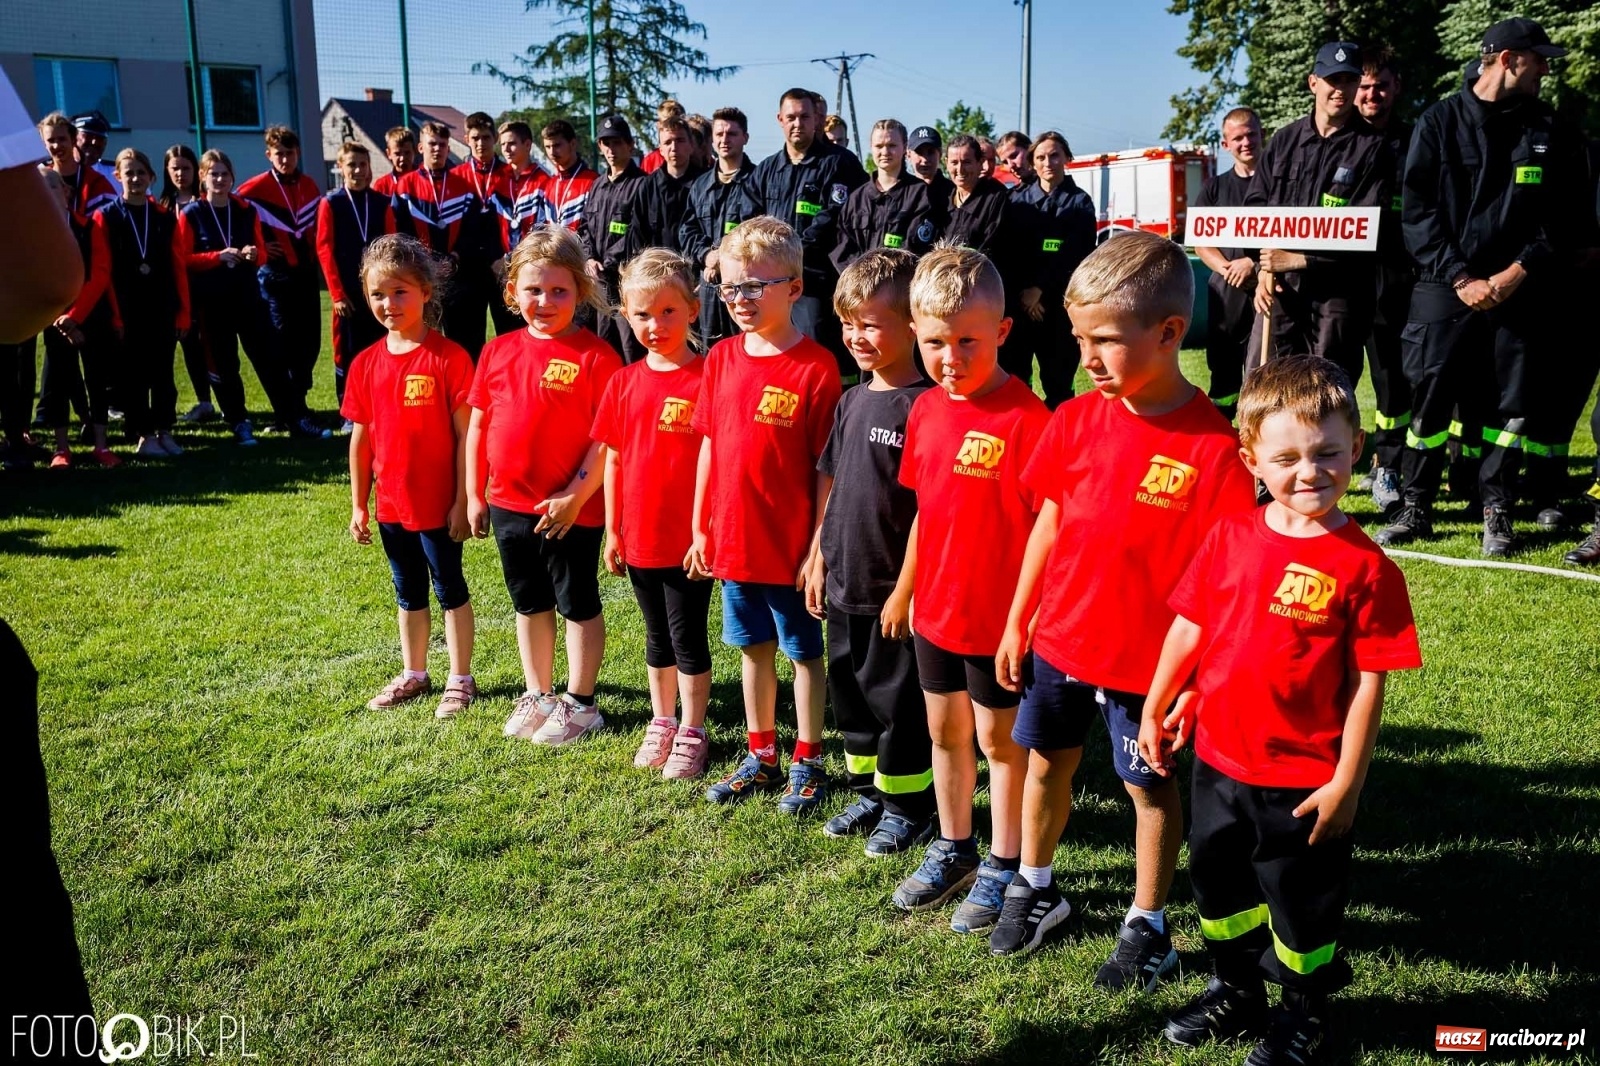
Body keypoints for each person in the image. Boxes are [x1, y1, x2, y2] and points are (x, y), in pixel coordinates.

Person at [1140, 355, 1421, 1063]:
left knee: (1301, 904)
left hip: (1303, 781)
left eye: (1329, 453)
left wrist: (1347, 780)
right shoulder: (1232, 535)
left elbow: (1368, 682)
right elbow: (1193, 626)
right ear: (1251, 459)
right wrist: (1158, 701)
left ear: (1357, 448)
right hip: (1217, 760)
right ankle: (1237, 991)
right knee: (1219, 886)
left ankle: (1304, 1013)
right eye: (1287, 457)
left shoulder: (1368, 570)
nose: (1310, 472)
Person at [993, 232, 1254, 964]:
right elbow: (1049, 522)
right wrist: (1020, 618)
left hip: (1150, 670)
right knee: (1046, 762)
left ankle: (1147, 923)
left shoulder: (1213, 450)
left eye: (1105, 341)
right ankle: (1036, 883)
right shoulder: (1073, 420)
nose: (1087, 360)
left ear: (1171, 333)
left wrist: (1193, 682)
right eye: (1079, 340)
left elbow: (1223, 585)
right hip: (1060, 645)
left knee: (1147, 790)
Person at [1377, 18, 1589, 557]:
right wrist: (1462, 277)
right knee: (1429, 400)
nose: (1546, 67)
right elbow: (1419, 213)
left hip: (1520, 289)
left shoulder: (1546, 128)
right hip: (1446, 285)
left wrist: (1517, 271)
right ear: (1507, 59)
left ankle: (1496, 506)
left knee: (1508, 408)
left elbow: (1561, 219)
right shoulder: (1439, 122)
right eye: (1538, 58)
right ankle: (1416, 505)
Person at [889, 246, 1050, 937]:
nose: (949, 357)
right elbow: (929, 508)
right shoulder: (925, 410)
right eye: (933, 342)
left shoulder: (1030, 420)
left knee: (998, 740)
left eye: (967, 342)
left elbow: (1052, 533)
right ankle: (954, 846)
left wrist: (1022, 621)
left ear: (1004, 333)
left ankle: (1004, 860)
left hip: (997, 622)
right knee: (945, 731)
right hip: (937, 613)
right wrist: (905, 589)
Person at [690, 217, 841, 812]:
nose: (740, 300)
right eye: (730, 288)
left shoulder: (816, 367)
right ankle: (762, 752)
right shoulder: (721, 357)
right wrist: (701, 526)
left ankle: (808, 757)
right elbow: (707, 443)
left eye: (755, 286)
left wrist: (817, 547)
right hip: (733, 540)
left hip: (790, 545)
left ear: (795, 288)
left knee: (803, 652)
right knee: (752, 648)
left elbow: (826, 469)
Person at [804, 249, 936, 855]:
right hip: (842, 580)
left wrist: (906, 590)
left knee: (896, 702)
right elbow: (831, 482)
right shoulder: (853, 399)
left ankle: (909, 805)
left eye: (871, 324)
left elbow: (930, 511)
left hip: (892, 589)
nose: (856, 336)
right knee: (849, 693)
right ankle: (869, 790)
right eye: (847, 323)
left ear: (912, 324)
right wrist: (817, 555)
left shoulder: (925, 407)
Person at [469, 225, 620, 747]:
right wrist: (473, 493)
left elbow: (607, 440)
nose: (546, 301)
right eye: (533, 290)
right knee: (529, 602)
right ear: (512, 293)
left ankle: (580, 702)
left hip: (572, 508)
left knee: (576, 600)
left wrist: (576, 495)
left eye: (559, 290)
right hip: (509, 502)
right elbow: (478, 426)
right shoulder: (497, 351)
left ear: (580, 291)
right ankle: (538, 692)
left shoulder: (598, 357)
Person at [343, 234, 478, 717]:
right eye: (378, 294)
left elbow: (468, 438)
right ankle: (415, 672)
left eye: (400, 292)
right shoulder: (365, 364)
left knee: (449, 588)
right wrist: (360, 503)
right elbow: (361, 441)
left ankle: (461, 678)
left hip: (439, 504)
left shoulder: (449, 358)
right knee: (407, 591)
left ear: (425, 291)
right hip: (391, 506)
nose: (388, 304)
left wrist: (464, 500)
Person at [591, 249, 714, 779]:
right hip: (638, 536)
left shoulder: (709, 377)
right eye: (642, 314)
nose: (655, 325)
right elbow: (613, 459)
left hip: (687, 541)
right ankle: (661, 719)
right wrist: (613, 530)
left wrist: (702, 530)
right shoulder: (623, 382)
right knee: (655, 634)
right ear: (624, 313)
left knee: (687, 635)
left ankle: (692, 729)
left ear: (692, 309)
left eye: (668, 311)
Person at [1247, 42, 1393, 385]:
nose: (1339, 89)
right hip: (1279, 290)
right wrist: (1262, 267)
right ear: (1314, 82)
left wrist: (1298, 259)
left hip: (1338, 294)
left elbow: (1369, 228)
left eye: (1348, 80)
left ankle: (1327, 442)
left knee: (1327, 387)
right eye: (1332, 80)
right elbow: (1255, 208)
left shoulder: (1373, 148)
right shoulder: (1284, 141)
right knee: (1264, 380)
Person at [175, 149, 311, 445]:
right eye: (214, 174)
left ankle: (293, 419)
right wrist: (216, 257)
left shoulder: (245, 210)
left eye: (225, 174)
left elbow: (262, 253)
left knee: (270, 358)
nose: (220, 179)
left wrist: (254, 254)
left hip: (248, 297)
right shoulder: (191, 214)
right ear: (203, 177)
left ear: (232, 177)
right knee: (225, 363)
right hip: (212, 301)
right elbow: (183, 258)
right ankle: (239, 421)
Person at [750, 88, 869, 378]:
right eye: (791, 117)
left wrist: (787, 251)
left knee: (816, 362)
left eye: (804, 116)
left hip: (817, 283)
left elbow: (833, 217)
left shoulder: (840, 163)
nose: (797, 123)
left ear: (816, 119)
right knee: (774, 361)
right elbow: (750, 219)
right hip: (771, 285)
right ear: (780, 119)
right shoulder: (766, 170)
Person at [1355, 48, 1413, 512]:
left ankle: (1388, 466)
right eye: (1365, 86)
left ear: (1396, 89)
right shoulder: (1334, 138)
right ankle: (1331, 459)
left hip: (1392, 279)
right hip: (1331, 281)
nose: (1372, 94)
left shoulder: (1414, 140)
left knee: (1392, 381)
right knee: (1329, 376)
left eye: (1381, 86)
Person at [101, 148, 188, 458]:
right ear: (118, 177)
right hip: (127, 307)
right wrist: (116, 317)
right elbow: (104, 271)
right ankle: (143, 435)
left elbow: (178, 266)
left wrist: (183, 313)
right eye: (129, 173)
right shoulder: (107, 216)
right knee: (133, 375)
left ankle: (164, 430)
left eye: (141, 173)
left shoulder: (165, 217)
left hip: (162, 305)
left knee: (163, 373)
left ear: (151, 177)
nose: (135, 178)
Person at [938, 134, 1041, 390]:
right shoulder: (945, 202)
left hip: (990, 301)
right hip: (953, 304)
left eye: (967, 162)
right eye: (954, 162)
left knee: (1004, 371)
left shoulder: (996, 198)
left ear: (979, 163)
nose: (960, 169)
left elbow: (988, 250)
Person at [237, 125, 326, 417]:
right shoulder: (253, 189)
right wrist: (260, 249)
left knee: (310, 341)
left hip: (306, 275)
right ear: (269, 155)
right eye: (279, 154)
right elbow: (231, 219)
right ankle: (288, 408)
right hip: (274, 276)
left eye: (290, 153)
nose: (285, 159)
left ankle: (299, 398)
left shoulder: (310, 185)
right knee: (282, 340)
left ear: (297, 153)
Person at [37, 164, 120, 468]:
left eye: (53, 187)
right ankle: (62, 449)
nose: (47, 194)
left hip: (91, 317)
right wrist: (63, 321)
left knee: (97, 380)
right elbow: (40, 280)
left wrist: (76, 316)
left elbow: (99, 274)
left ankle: (101, 445)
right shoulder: (35, 235)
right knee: (58, 381)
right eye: (41, 189)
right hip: (54, 321)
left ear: (67, 192)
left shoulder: (90, 226)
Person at [1007, 130, 1096, 409]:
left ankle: (1060, 436)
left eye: (1055, 155)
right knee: (1017, 381)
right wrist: (1026, 293)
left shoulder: (1080, 202)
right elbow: (1011, 251)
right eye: (1041, 157)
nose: (1048, 162)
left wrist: (1040, 289)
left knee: (1058, 383)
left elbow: (1076, 254)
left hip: (1057, 308)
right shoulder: (1016, 201)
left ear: (1067, 158)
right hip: (1021, 307)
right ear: (1032, 162)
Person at [1191, 107, 1262, 420]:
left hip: (1268, 286)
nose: (1246, 142)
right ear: (1225, 145)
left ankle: (1260, 438)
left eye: (1251, 135)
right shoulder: (1213, 189)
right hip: (1226, 290)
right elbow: (1201, 242)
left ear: (1262, 136)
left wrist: (1252, 263)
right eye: (1238, 138)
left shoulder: (1279, 185)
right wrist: (1228, 269)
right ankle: (1222, 436)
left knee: (1265, 369)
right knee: (1223, 371)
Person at [316, 142, 397, 411]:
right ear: (340, 167)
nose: (358, 170)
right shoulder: (331, 203)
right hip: (347, 295)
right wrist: (337, 294)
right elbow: (324, 249)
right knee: (347, 352)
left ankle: (381, 403)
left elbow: (391, 246)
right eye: (352, 164)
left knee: (381, 347)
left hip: (378, 293)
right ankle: (349, 410)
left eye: (363, 164)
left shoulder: (382, 202)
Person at [680, 107, 759, 348]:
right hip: (709, 286)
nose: (725, 140)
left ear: (745, 137)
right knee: (708, 351)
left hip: (745, 288)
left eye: (732, 134)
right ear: (712, 139)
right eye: (719, 134)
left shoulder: (757, 182)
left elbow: (760, 232)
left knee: (747, 347)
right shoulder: (700, 185)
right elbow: (687, 231)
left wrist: (723, 257)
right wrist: (707, 255)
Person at [399, 122, 480, 358]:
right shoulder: (406, 186)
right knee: (422, 342)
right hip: (419, 276)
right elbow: (400, 229)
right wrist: (420, 262)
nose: (438, 149)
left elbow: (472, 230)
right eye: (432, 143)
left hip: (456, 276)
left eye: (442, 144)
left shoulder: (463, 187)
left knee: (463, 343)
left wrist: (456, 256)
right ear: (420, 147)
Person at [578, 113, 649, 363]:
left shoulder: (643, 185)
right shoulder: (597, 186)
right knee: (601, 348)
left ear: (630, 145)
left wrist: (607, 263)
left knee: (631, 349)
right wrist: (589, 258)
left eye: (617, 142)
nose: (611, 149)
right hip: (598, 285)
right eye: (606, 143)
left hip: (626, 284)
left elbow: (637, 234)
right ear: (599, 147)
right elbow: (585, 227)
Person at [830, 118, 937, 272]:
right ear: (871, 148)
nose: (885, 152)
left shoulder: (921, 195)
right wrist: (863, 277)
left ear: (905, 148)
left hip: (902, 288)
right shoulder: (856, 199)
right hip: (861, 289)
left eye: (891, 145)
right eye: (879, 146)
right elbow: (842, 250)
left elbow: (918, 249)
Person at [160, 144, 216, 425]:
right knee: (176, 344)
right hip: (171, 289)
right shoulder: (161, 207)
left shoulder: (208, 203)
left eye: (186, 168)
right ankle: (170, 407)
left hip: (203, 286)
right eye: (175, 169)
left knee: (206, 345)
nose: (181, 174)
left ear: (196, 171)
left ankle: (210, 401)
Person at [449, 112, 511, 362]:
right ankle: (468, 393)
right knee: (466, 337)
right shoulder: (456, 177)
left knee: (509, 332)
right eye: (475, 138)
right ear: (466, 139)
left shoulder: (510, 174)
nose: (480, 143)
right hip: (467, 269)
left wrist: (501, 258)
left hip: (502, 267)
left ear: (495, 138)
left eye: (486, 137)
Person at [639, 114, 708, 254]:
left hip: (695, 269)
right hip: (657, 269)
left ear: (691, 145)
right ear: (661, 150)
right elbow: (637, 234)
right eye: (668, 142)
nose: (674, 147)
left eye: (680, 140)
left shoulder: (706, 185)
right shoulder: (648, 186)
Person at [537, 120, 595, 232]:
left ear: (573, 144)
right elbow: (540, 227)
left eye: (557, 145)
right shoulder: (549, 185)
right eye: (547, 147)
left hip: (580, 249)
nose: (552, 152)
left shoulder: (592, 181)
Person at [907, 126, 953, 205]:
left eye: (930, 152)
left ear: (940, 154)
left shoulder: (953, 191)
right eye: (919, 153)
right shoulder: (903, 192)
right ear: (908, 155)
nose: (925, 160)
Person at [639, 99, 684, 174]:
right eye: (666, 123)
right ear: (659, 125)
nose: (671, 128)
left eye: (676, 123)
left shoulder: (690, 156)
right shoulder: (651, 160)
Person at [372, 126, 418, 200]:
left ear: (415, 151)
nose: (402, 158)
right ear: (389, 154)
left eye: (407, 153)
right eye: (397, 153)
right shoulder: (382, 185)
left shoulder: (426, 180)